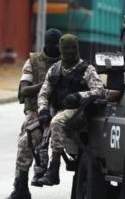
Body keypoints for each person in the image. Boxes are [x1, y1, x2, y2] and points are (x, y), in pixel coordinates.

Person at [36, 34, 104, 186]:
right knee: (36, 128)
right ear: (60, 49)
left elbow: (100, 90)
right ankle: (39, 169)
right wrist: (43, 110)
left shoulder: (87, 69)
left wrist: (79, 96)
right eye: (66, 48)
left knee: (56, 122)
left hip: (79, 113)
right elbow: (44, 93)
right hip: (58, 110)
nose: (70, 51)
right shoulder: (55, 69)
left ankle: (54, 170)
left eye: (73, 47)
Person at [7, 28, 62, 199]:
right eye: (52, 45)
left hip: (62, 111)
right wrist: (46, 84)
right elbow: (24, 90)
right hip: (37, 111)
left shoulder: (68, 61)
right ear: (45, 44)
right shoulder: (33, 62)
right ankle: (21, 185)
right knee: (27, 140)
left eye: (57, 45)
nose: (55, 49)